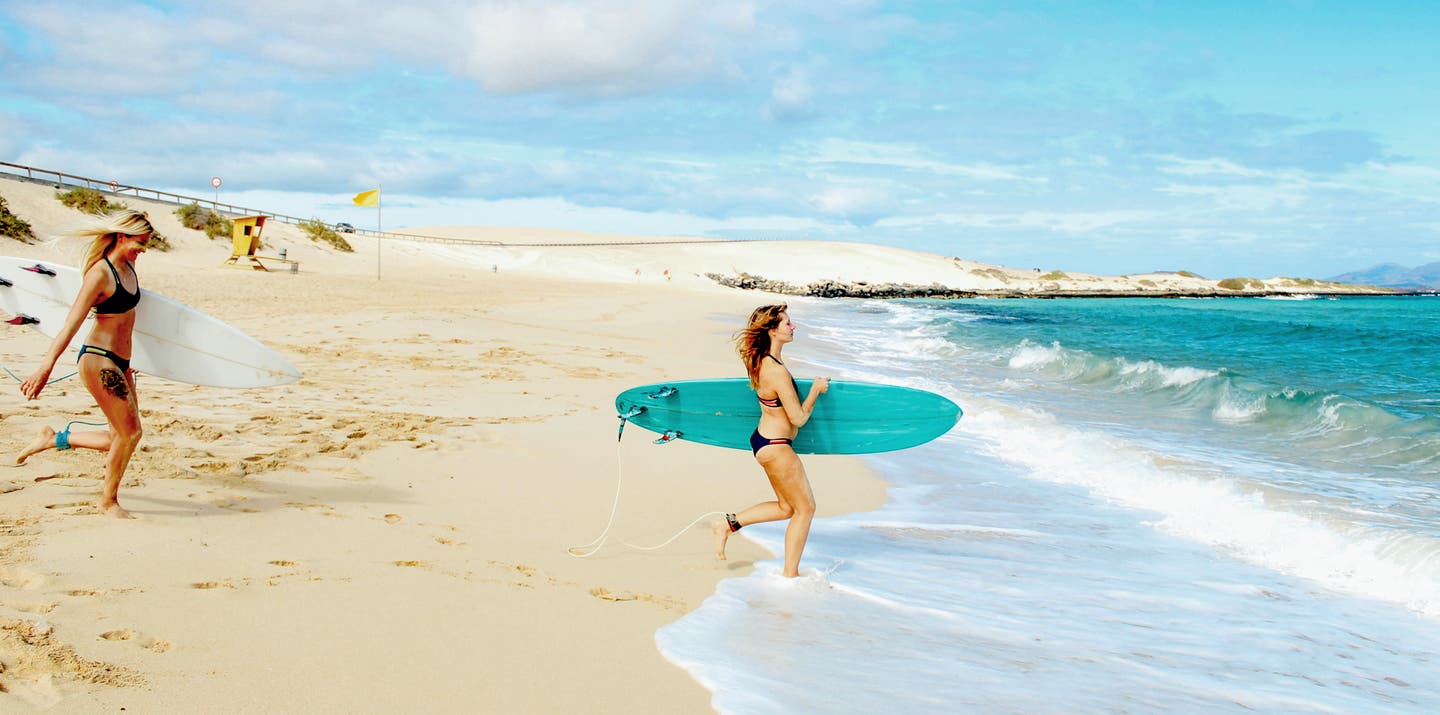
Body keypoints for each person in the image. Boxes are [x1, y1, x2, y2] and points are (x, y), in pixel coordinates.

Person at [16, 209, 157, 519]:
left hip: (121, 363)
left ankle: (52, 439)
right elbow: (70, 324)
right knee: (131, 434)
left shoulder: (129, 267)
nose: (143, 250)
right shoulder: (100, 273)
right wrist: (45, 367)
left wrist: (131, 363)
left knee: (118, 437)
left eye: (147, 244)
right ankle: (108, 501)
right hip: (99, 359)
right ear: (122, 236)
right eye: (140, 242)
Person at [713, 304, 829, 577]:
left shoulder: (760, 361)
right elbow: (798, 418)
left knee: (786, 507)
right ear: (772, 331)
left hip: (764, 441)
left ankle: (727, 525)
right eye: (787, 323)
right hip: (777, 447)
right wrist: (815, 391)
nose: (793, 327)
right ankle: (790, 575)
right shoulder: (775, 370)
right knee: (805, 509)